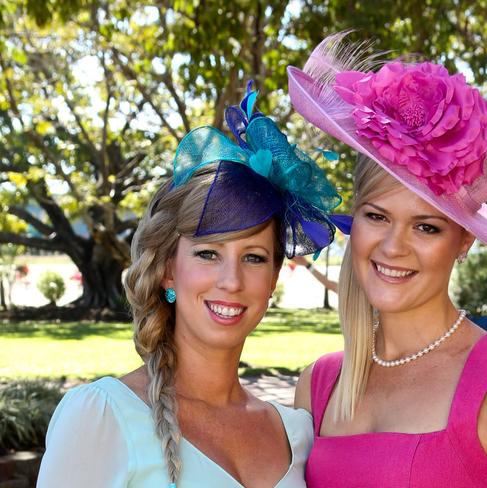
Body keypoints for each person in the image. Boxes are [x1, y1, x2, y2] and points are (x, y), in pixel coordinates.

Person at [287, 32, 487, 487]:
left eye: (426, 226)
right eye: (377, 216)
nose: (393, 246)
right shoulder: (317, 385)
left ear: (464, 241)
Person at [37, 85, 349, 487]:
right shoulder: (102, 417)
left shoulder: (296, 434)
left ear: (272, 279)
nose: (231, 281)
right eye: (208, 254)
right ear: (169, 270)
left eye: (253, 257)